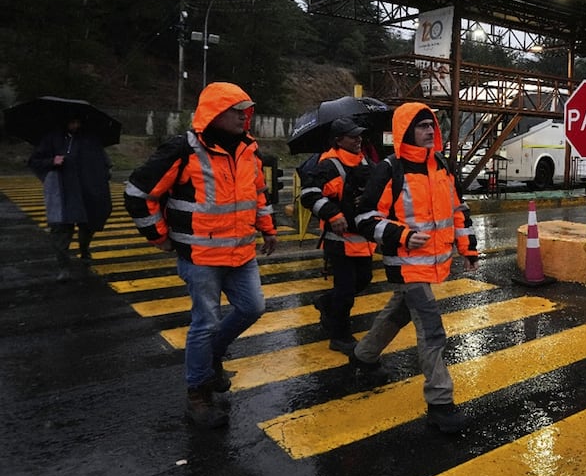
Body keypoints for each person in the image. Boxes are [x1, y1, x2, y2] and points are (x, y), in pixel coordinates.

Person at [123, 82, 278, 429]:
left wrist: (268, 228)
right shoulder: (183, 150)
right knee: (205, 324)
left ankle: (212, 357)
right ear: (214, 113)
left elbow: (258, 194)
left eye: (246, 110)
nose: (244, 116)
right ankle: (198, 395)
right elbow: (137, 193)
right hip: (200, 257)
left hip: (242, 253)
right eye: (236, 110)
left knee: (253, 308)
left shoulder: (248, 150)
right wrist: (158, 236)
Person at [348, 102, 479, 434]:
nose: (429, 131)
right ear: (406, 131)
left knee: (402, 310)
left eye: (431, 126)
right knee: (431, 329)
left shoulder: (443, 167)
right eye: (421, 126)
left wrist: (469, 248)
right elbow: (364, 218)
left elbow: (457, 211)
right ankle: (440, 402)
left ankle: (363, 356)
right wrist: (403, 235)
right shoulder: (389, 169)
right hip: (405, 264)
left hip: (432, 264)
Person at [299, 117, 377, 355]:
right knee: (345, 292)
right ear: (338, 140)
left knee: (363, 279)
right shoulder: (327, 165)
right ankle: (339, 335)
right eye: (353, 136)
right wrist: (332, 214)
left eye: (359, 135)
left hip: (362, 238)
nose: (358, 139)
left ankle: (325, 303)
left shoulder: (364, 160)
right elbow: (309, 195)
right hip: (339, 240)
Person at [28, 115, 113, 281]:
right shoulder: (52, 139)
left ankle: (84, 250)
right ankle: (63, 266)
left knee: (87, 225)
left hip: (86, 191)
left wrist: (102, 176)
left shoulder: (90, 140)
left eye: (78, 122)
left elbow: (103, 163)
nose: (75, 125)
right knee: (60, 229)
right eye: (72, 122)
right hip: (62, 192)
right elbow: (35, 161)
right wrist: (52, 160)